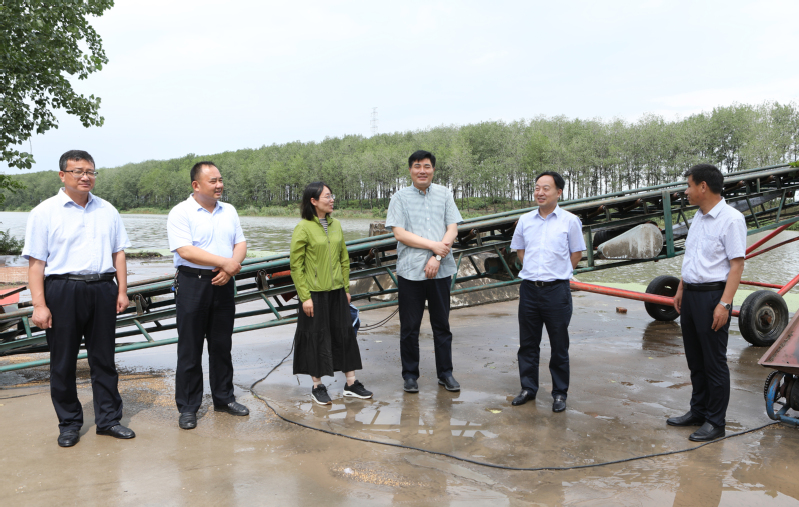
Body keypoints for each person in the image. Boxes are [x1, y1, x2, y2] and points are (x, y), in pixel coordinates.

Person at [23, 150, 134, 447]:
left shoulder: (107, 210)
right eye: (78, 171)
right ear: (63, 175)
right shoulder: (44, 212)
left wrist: (122, 290)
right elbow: (36, 264)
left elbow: (118, 253)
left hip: (103, 288)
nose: (85, 177)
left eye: (90, 171)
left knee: (104, 359)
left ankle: (108, 420)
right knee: (63, 362)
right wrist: (39, 305)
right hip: (63, 290)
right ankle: (69, 424)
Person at [167, 161, 249, 430]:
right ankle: (188, 407)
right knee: (190, 348)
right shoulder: (181, 212)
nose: (219, 185)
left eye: (220, 180)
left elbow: (240, 243)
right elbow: (185, 250)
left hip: (223, 282)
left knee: (221, 345)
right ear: (196, 185)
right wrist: (225, 263)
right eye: (213, 181)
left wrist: (230, 267)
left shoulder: (229, 211)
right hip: (193, 283)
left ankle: (224, 398)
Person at [669, 164, 746, 442]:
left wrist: (724, 304)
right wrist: (681, 288)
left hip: (713, 297)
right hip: (691, 295)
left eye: (689, 185)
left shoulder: (731, 219)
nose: (686, 191)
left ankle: (715, 422)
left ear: (703, 186)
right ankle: (698, 411)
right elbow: (692, 257)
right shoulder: (699, 217)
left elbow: (737, 265)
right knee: (695, 360)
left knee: (714, 362)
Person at [385, 150, 464, 393]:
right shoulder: (399, 197)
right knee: (410, 327)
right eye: (417, 166)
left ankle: (445, 373)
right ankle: (410, 375)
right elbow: (400, 234)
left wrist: (437, 256)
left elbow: (452, 229)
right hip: (411, 272)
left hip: (441, 269)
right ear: (410, 170)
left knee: (442, 324)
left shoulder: (444, 194)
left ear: (433, 169)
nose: (422, 171)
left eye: (427, 166)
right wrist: (433, 246)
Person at [290, 181, 372, 405]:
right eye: (327, 196)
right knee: (316, 337)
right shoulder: (303, 227)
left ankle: (351, 383)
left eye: (331, 195)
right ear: (313, 201)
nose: (332, 199)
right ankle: (317, 386)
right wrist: (305, 297)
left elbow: (344, 259)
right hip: (314, 294)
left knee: (345, 334)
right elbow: (296, 266)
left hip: (337, 292)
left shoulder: (336, 225)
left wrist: (345, 289)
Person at [509, 171, 585, 413]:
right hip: (529, 290)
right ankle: (528, 388)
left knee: (559, 345)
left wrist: (559, 272)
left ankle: (559, 393)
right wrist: (535, 271)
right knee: (527, 344)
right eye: (537, 188)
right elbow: (520, 250)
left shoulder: (570, 221)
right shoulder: (525, 220)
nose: (540, 193)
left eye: (546, 188)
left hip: (557, 292)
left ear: (558, 192)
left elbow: (576, 253)